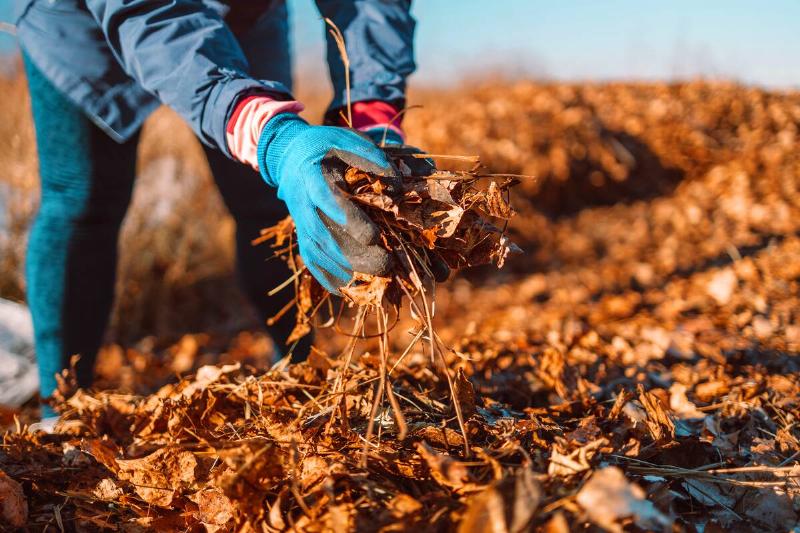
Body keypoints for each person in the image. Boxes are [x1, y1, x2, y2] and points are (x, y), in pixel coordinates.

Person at [13, 0, 418, 421]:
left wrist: (373, 109)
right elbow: (151, 16)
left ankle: (301, 371)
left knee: (265, 200)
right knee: (83, 199)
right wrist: (265, 130)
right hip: (82, 24)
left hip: (245, 14)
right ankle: (59, 408)